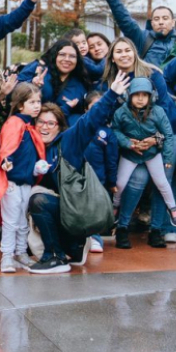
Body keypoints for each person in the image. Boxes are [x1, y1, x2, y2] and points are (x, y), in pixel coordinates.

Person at [25, 71, 132, 274]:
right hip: (64, 215)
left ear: (59, 127)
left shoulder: (68, 141)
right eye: (41, 122)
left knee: (38, 200)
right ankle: (68, 249)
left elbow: (89, 121)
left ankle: (55, 256)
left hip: (76, 213)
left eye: (51, 123)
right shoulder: (31, 146)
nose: (45, 127)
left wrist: (111, 94)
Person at [0, 83, 44, 273]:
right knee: (11, 221)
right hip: (12, 181)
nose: (37, 105)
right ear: (21, 105)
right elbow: (7, 148)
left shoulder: (29, 126)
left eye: (38, 101)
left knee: (22, 220)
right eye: (32, 102)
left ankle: (20, 253)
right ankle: (7, 256)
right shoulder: (15, 123)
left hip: (26, 180)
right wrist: (6, 162)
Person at [110, 78, 176, 242]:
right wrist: (127, 143)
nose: (140, 98)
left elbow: (167, 134)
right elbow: (115, 130)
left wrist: (166, 156)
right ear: (129, 96)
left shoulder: (157, 111)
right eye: (137, 95)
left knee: (162, 182)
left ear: (151, 97)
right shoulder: (122, 112)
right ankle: (116, 206)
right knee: (119, 183)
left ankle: (172, 208)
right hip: (131, 153)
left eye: (145, 95)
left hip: (152, 153)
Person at [82, 88, 118, 253]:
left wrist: (112, 182)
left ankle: (95, 238)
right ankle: (80, 238)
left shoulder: (108, 134)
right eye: (94, 107)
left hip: (98, 179)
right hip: (78, 177)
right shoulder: (78, 126)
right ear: (86, 109)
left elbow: (111, 161)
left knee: (95, 210)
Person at [28, 39, 90, 117]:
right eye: (62, 54)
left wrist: (66, 108)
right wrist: (32, 85)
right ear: (55, 55)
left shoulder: (80, 86)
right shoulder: (39, 70)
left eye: (72, 56)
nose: (67, 59)